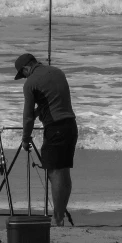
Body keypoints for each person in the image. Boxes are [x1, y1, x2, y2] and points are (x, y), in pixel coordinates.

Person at [14, 53, 77, 226]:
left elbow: (27, 118)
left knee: (55, 173)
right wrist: (38, 112)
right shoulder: (58, 72)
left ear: (26, 68)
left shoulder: (30, 84)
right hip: (70, 126)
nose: (24, 77)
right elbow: (52, 102)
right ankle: (60, 216)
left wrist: (25, 139)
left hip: (55, 129)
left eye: (23, 74)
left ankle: (57, 218)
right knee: (63, 172)